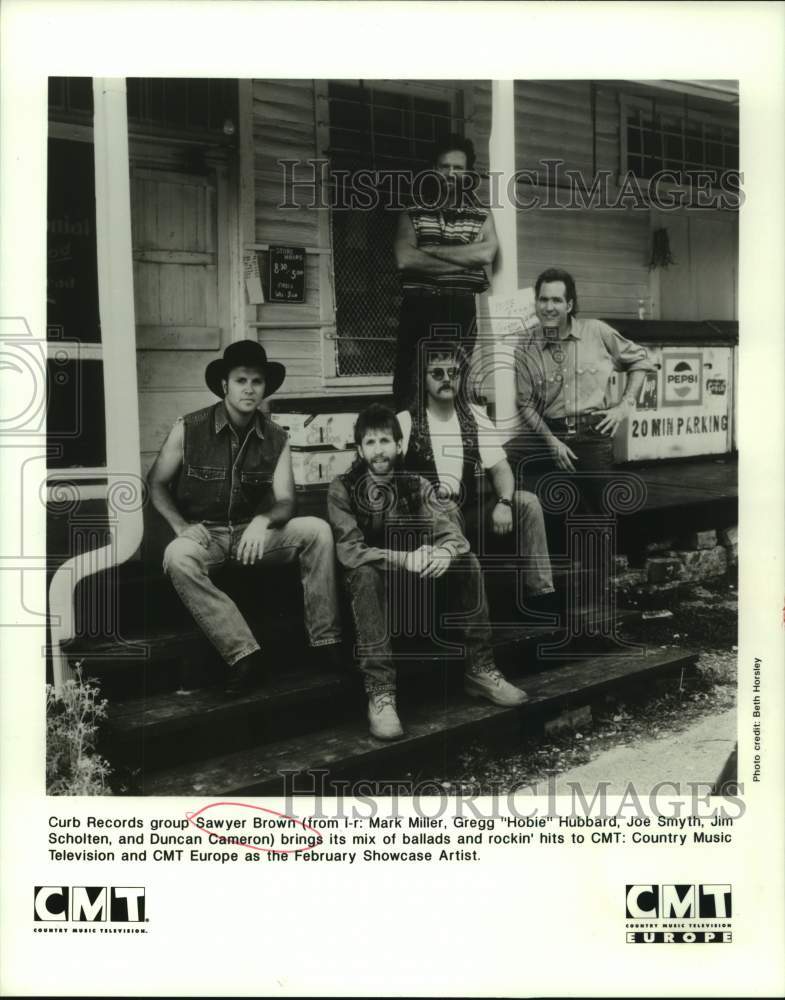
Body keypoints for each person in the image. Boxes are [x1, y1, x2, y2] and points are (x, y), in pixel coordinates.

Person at [147, 340, 342, 695]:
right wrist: (180, 527)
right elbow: (156, 483)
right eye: (241, 380)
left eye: (256, 381)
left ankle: (325, 642)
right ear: (225, 385)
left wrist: (261, 520)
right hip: (206, 537)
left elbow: (286, 501)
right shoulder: (190, 427)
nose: (249, 388)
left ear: (265, 387)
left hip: (251, 537)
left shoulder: (276, 435)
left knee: (317, 531)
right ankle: (243, 654)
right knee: (177, 557)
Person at [327, 404, 526, 741]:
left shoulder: (416, 484)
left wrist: (445, 552)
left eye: (385, 441)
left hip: (418, 586)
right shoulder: (342, 488)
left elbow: (452, 535)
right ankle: (381, 693)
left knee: (467, 561)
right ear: (359, 449)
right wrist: (403, 558)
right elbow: (350, 551)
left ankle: (480, 669)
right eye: (371, 443)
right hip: (370, 593)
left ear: (399, 445)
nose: (379, 451)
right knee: (363, 573)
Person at [396, 344, 556, 607]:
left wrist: (504, 503)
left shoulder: (475, 416)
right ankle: (462, 609)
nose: (447, 379)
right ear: (422, 379)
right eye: (437, 373)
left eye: (454, 373)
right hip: (425, 521)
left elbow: (501, 468)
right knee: (444, 507)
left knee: (527, 503)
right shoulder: (406, 421)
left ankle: (541, 598)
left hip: (468, 514)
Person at [505, 268, 656, 514]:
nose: (548, 307)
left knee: (597, 514)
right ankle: (526, 522)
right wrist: (551, 441)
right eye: (543, 299)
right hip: (548, 434)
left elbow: (640, 361)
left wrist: (623, 406)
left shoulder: (596, 331)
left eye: (556, 300)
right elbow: (525, 403)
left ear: (569, 304)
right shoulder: (525, 346)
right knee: (503, 461)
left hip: (591, 433)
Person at [392, 135, 498, 410]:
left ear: (467, 174)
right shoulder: (412, 212)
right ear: (433, 169)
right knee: (411, 386)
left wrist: (428, 250)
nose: (451, 173)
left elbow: (486, 254)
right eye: (444, 166)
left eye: (458, 168)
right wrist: (465, 261)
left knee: (454, 384)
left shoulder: (481, 215)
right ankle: (411, 449)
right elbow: (405, 259)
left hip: (459, 308)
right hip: (419, 305)